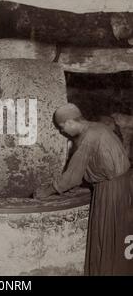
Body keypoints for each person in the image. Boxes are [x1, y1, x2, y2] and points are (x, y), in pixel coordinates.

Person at [36, 103, 133, 276]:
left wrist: (48, 190)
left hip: (111, 190)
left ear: (71, 121)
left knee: (106, 235)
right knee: (120, 234)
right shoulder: (98, 127)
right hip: (123, 185)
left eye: (62, 127)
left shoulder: (88, 138)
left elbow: (72, 177)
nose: (63, 131)